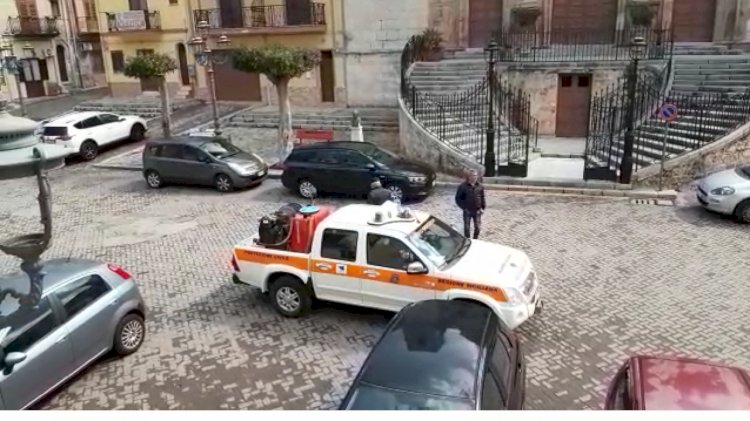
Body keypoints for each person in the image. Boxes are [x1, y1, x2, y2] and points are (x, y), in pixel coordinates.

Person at [455, 169, 486, 239]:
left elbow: (482, 197)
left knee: (478, 227)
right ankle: (468, 239)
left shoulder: (480, 186)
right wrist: (464, 207)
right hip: (467, 210)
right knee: (467, 228)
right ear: (469, 176)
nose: (475, 177)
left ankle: (475, 240)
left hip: (477, 210)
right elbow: (458, 199)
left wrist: (483, 208)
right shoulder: (463, 186)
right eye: (473, 175)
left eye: (476, 175)